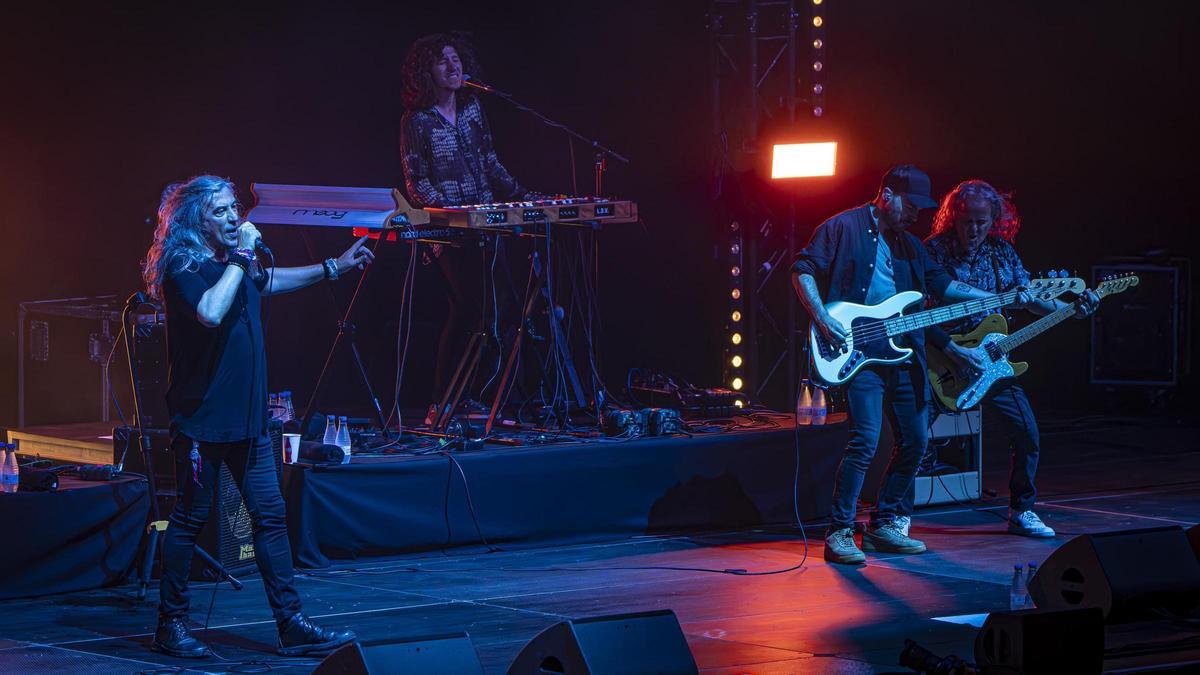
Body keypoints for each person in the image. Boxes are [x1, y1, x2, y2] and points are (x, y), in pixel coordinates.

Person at [142, 175, 369, 658]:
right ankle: (171, 626)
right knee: (189, 519)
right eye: (221, 211)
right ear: (195, 220)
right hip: (203, 422)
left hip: (249, 422)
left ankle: (290, 624)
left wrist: (333, 268)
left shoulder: (232, 264)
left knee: (269, 517)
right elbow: (210, 311)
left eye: (234, 209)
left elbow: (268, 281)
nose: (233, 218)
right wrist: (242, 259)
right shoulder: (183, 265)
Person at [791, 165, 1008, 565]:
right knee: (865, 441)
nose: (915, 216)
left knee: (916, 441)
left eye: (920, 210)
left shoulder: (912, 246)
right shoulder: (842, 228)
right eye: (910, 206)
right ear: (886, 194)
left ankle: (885, 525)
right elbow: (803, 271)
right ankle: (839, 530)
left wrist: (994, 298)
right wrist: (823, 319)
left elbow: (943, 287)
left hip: (905, 354)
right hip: (858, 354)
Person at [916, 179, 1097, 538]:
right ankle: (893, 517)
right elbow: (918, 310)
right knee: (913, 437)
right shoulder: (933, 251)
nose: (975, 229)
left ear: (994, 219)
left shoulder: (1002, 253)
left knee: (1027, 432)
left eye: (982, 222)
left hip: (990, 361)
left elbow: (1029, 298)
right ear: (953, 216)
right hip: (943, 356)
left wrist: (1072, 310)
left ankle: (1022, 511)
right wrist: (951, 350)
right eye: (968, 221)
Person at [398, 32, 534, 424]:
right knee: (471, 309)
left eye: (456, 59)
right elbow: (416, 182)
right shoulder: (417, 121)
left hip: (487, 227)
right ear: (427, 72)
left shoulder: (473, 110)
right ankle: (445, 400)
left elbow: (490, 163)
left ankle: (470, 398)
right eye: (443, 61)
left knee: (499, 310)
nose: (453, 66)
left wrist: (524, 196)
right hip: (451, 234)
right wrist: (455, 211)